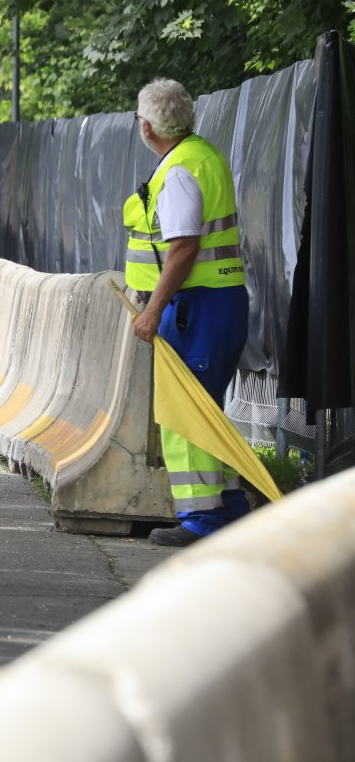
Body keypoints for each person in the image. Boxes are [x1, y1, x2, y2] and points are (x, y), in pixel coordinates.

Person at [124, 77, 250, 547]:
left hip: (195, 307)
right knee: (205, 410)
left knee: (185, 416)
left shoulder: (177, 172)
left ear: (148, 127)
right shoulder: (203, 155)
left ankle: (203, 520)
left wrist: (152, 311)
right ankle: (230, 508)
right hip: (218, 302)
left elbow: (183, 249)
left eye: (139, 118)